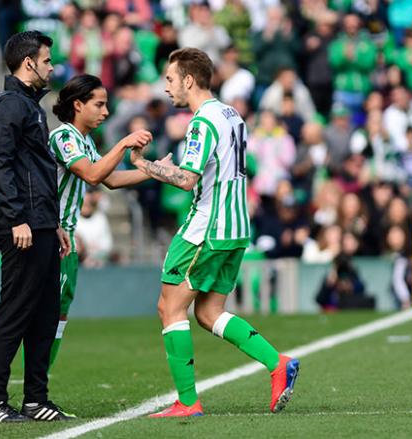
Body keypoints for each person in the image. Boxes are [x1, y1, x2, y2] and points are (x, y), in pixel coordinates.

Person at [129, 48, 300, 417]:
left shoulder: (202, 122)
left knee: (169, 308)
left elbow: (187, 178)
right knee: (208, 313)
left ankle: (187, 402)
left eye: (171, 80)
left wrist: (146, 166)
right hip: (237, 227)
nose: (167, 88)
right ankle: (278, 363)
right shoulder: (232, 114)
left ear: (189, 80)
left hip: (206, 227)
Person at [0, 31, 72, 423]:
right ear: (28, 62)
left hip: (41, 224)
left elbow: (34, 170)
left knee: (45, 314)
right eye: (47, 60)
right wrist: (17, 216)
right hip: (22, 225)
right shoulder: (8, 107)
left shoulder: (31, 107)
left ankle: (36, 399)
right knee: (15, 312)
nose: (52, 66)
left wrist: (54, 224)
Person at [47, 73, 155, 368]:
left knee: (60, 311)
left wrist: (154, 170)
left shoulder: (84, 140)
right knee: (46, 312)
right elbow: (92, 174)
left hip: (66, 237)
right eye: (99, 104)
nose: (106, 112)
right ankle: (33, 387)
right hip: (50, 236)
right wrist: (123, 144)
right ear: (78, 104)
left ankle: (39, 385)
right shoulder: (64, 136)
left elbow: (111, 179)